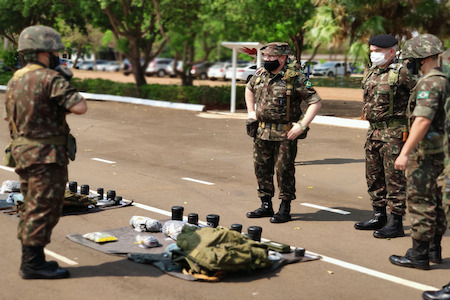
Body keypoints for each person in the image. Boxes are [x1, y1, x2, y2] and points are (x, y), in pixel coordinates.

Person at [4, 25, 87, 279]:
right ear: (41, 53)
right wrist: (63, 79)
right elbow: (80, 107)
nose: (56, 57)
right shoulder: (49, 79)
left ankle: (34, 259)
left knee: (32, 206)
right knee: (43, 209)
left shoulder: (15, 79)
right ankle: (32, 265)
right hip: (45, 155)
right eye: (53, 52)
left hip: (24, 152)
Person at [389, 33, 448, 270]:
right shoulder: (444, 80)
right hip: (440, 153)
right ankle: (434, 249)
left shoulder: (429, 83)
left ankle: (419, 254)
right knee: (436, 202)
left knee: (421, 202)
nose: (407, 63)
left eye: (410, 58)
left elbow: (422, 120)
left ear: (421, 58)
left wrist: (405, 152)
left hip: (425, 155)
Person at [245, 42, 321, 223]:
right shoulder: (261, 74)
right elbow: (249, 89)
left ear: (283, 57)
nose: (267, 60)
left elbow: (315, 102)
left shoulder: (296, 78)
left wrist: (302, 125)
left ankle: (284, 208)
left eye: (271, 57)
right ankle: (265, 205)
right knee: (261, 169)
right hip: (262, 132)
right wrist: (251, 112)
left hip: (285, 134)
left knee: (284, 171)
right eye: (265, 56)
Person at [354, 34, 417, 239]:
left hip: (394, 133)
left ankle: (396, 222)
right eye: (372, 51)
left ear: (391, 52)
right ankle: (378, 216)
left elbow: (417, 98)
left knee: (394, 179)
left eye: (378, 52)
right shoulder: (372, 72)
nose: (374, 55)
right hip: (373, 131)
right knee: (374, 176)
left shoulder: (402, 73)